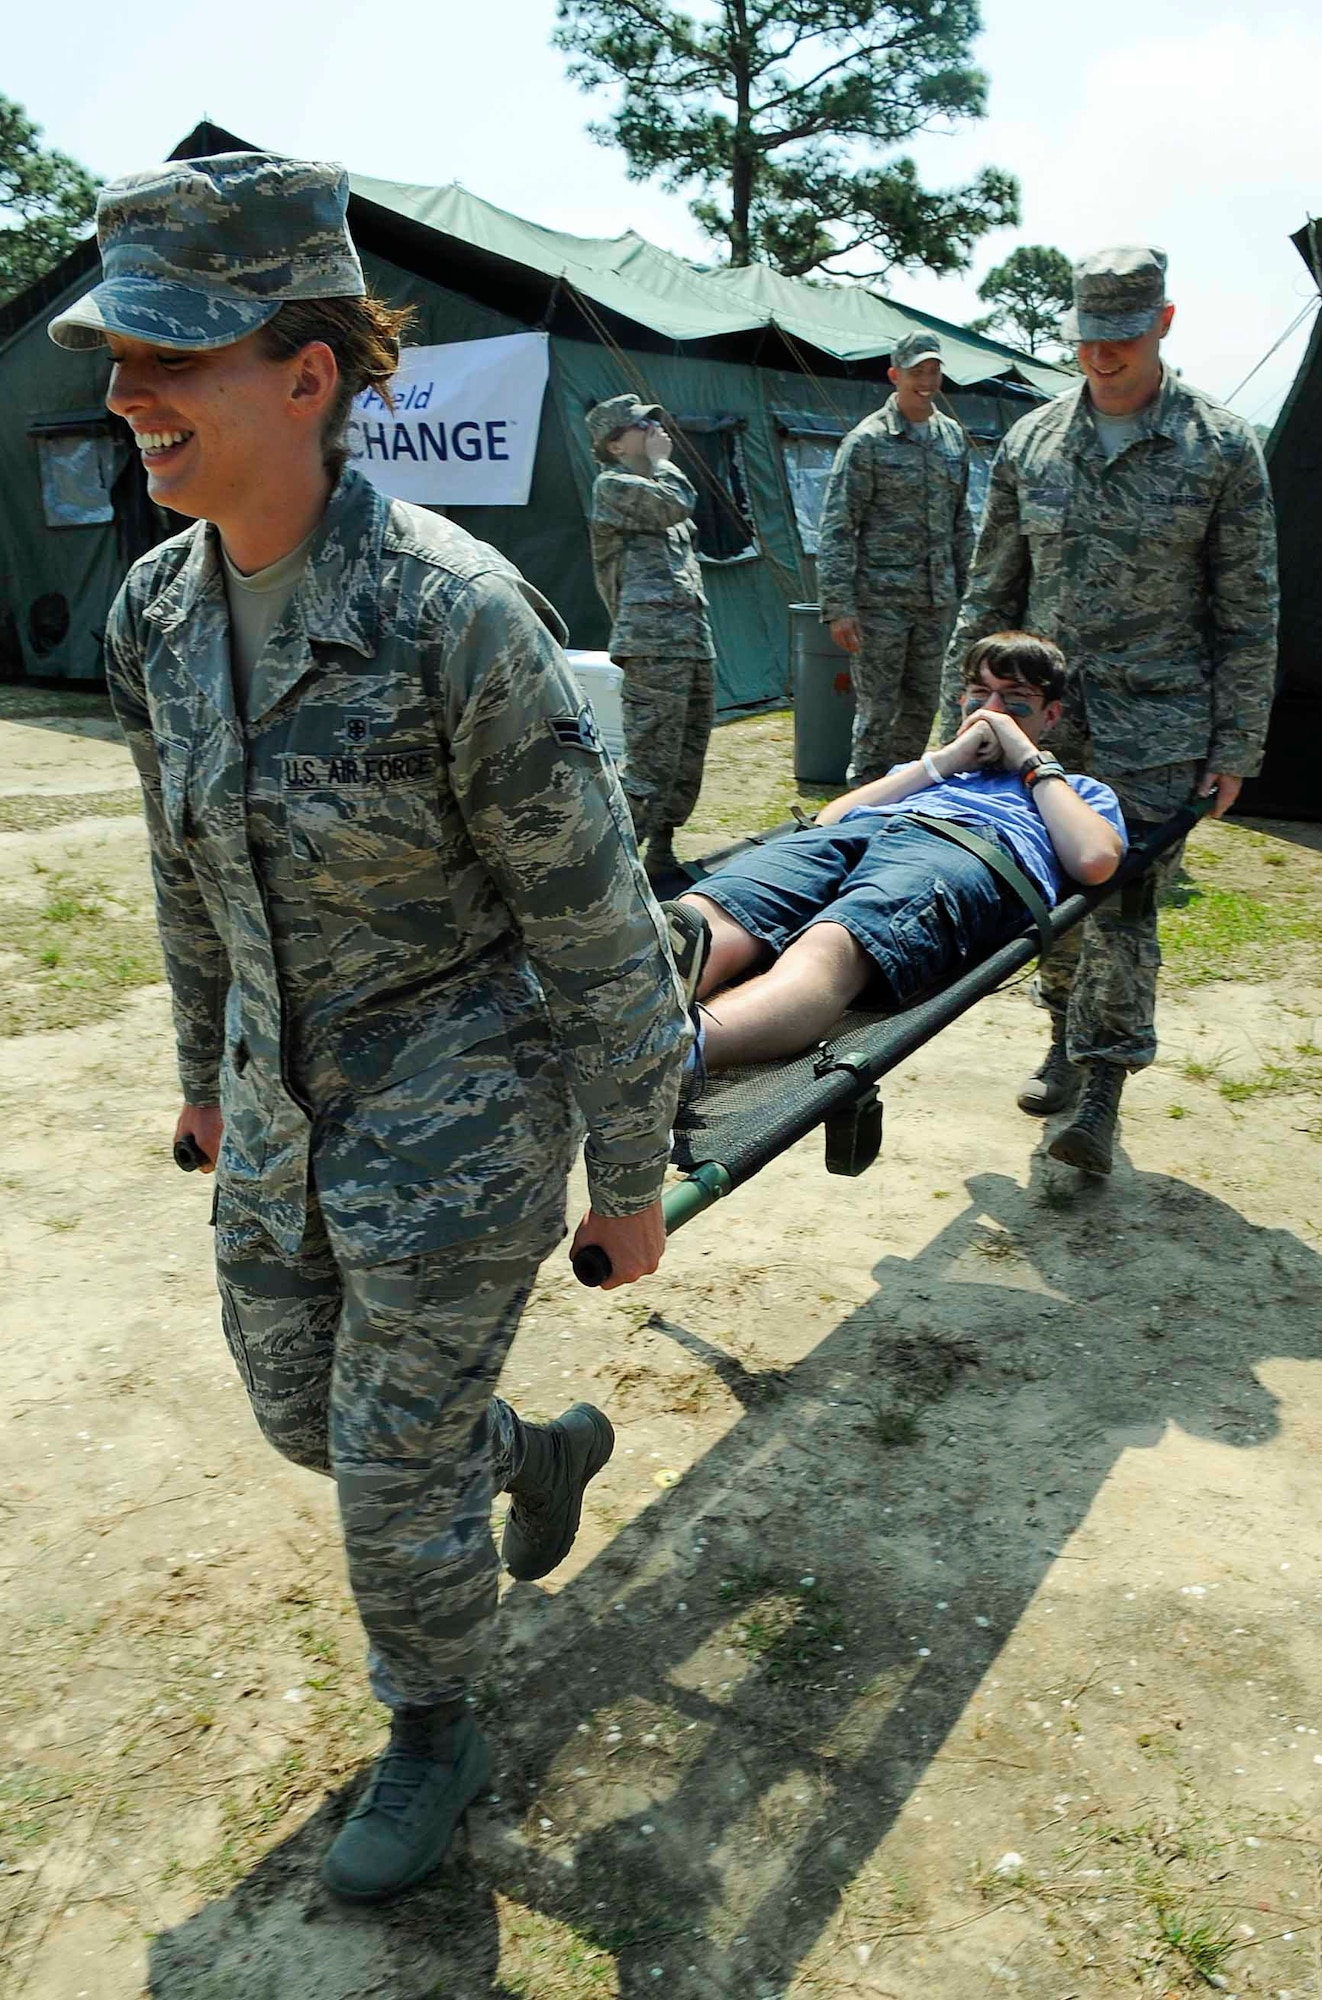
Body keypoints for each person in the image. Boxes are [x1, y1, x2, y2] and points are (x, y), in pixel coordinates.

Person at [50, 152, 690, 1905]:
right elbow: (185, 881)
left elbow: (600, 925)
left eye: (171, 357)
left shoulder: (454, 615)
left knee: (387, 1480)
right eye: (118, 357)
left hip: (460, 1107)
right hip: (279, 1103)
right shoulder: (156, 618)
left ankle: (434, 1723)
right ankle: (531, 1452)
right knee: (298, 1411)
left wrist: (627, 1174)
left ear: (309, 370)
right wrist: (199, 1079)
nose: (125, 397)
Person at [938, 246, 1279, 1173]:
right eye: (1088, 338)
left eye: (1122, 338)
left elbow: (1249, 610)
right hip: (1049, 717)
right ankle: (1059, 1036)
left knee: (1122, 903)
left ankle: (1102, 1088)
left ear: (1163, 324)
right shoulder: (1031, 442)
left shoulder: (1221, 447)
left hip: (1158, 726)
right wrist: (961, 722)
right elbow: (988, 594)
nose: (1102, 357)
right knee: (1041, 890)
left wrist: (1237, 743)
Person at [668, 634, 1125, 1071]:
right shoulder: (930, 772)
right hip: (860, 833)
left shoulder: (1077, 791)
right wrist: (944, 762)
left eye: (1015, 697)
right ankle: (620, 1022)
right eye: (979, 693)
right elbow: (830, 819)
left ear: (1050, 715)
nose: (991, 712)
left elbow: (1094, 860)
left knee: (833, 942)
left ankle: (667, 1057)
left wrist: (1027, 757)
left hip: (965, 847)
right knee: (703, 915)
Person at [817, 330, 974, 786]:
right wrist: (839, 607)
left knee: (924, 704)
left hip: (938, 602)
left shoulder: (951, 439)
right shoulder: (867, 441)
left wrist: (970, 594)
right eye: (916, 372)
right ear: (894, 375)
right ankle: (862, 798)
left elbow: (961, 521)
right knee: (878, 710)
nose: (926, 381)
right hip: (880, 605)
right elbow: (838, 526)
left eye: (933, 371)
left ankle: (901, 796)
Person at [586, 393, 717, 877]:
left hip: (691, 640)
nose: (655, 432)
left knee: (686, 755)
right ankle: (608, 866)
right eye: (642, 427)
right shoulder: (614, 487)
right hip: (652, 645)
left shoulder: (657, 490)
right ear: (616, 445)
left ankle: (661, 850)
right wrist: (664, 465)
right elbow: (676, 503)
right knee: (649, 762)